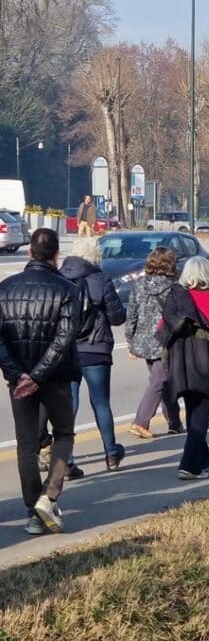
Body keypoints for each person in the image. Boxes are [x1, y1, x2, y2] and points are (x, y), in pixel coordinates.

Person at [1, 228, 82, 535]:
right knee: (63, 434)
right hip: (56, 376)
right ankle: (48, 497)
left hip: (19, 378)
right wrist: (38, 375)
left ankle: (32, 507)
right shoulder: (66, 290)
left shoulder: (5, 288)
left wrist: (18, 374)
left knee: (26, 444)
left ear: (30, 252)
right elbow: (64, 339)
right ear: (55, 254)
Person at [158, 256, 209, 480]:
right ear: (208, 275)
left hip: (183, 363)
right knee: (200, 416)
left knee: (194, 413)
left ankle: (202, 460)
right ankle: (190, 465)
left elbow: (162, 330)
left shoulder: (176, 300)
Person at [60, 237, 127, 472]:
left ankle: (66, 459)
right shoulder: (101, 278)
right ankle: (110, 453)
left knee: (69, 404)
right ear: (95, 256)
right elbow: (117, 317)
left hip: (66, 349)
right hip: (96, 348)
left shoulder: (60, 277)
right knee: (101, 403)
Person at [126, 247, 185, 439]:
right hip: (165, 341)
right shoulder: (175, 288)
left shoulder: (139, 285)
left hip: (143, 341)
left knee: (161, 381)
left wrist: (130, 341)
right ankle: (140, 421)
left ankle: (174, 421)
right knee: (159, 381)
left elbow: (131, 315)